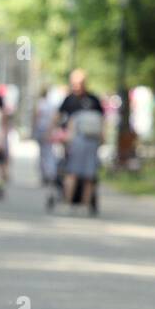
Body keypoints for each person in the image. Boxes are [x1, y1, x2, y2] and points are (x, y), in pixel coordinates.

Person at [57, 69, 105, 212]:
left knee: (83, 174)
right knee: (75, 172)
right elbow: (58, 116)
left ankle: (82, 204)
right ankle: (69, 201)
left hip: (84, 141)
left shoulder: (93, 100)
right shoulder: (70, 99)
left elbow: (102, 121)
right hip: (75, 142)